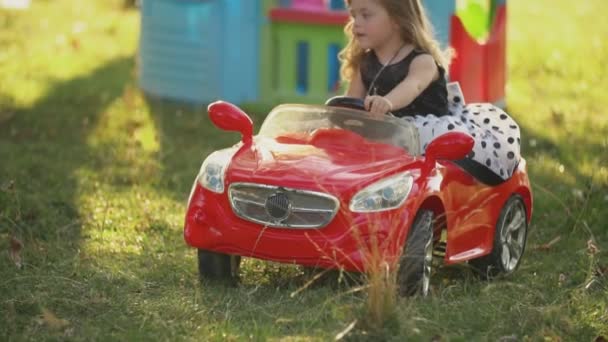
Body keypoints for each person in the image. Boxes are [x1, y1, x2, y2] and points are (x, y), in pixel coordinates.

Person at [338, 0, 521, 182]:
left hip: (424, 133)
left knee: (441, 137)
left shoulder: (422, 61)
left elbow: (412, 86)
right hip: (388, 132)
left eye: (366, 15)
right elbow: (351, 103)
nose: (357, 23)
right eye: (354, 16)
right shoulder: (364, 64)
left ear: (397, 19)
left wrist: (387, 102)